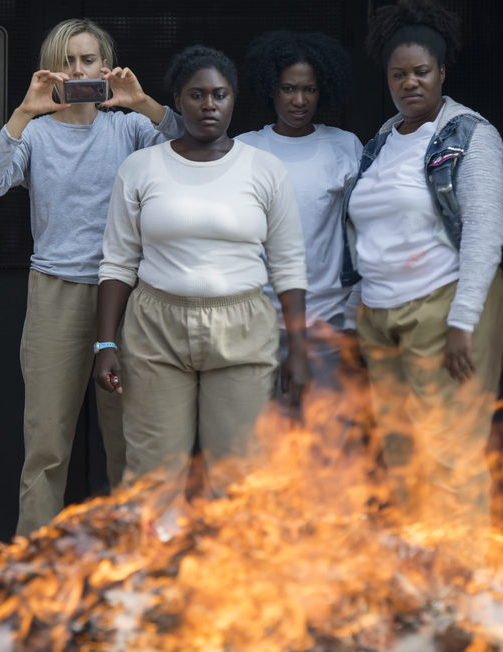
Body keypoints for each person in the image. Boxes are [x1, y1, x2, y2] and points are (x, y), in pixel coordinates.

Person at [0, 18, 183, 537]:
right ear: (50, 69)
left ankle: (130, 562)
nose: (79, 69)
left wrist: (142, 102)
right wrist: (25, 110)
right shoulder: (37, 132)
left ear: (106, 66)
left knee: (129, 439)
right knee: (46, 442)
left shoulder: (127, 126)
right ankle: (36, 569)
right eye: (68, 61)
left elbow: (193, 141)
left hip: (127, 293)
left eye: (89, 60)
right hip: (55, 292)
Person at [94, 45, 309, 484]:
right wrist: (105, 344)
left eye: (219, 95)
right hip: (156, 328)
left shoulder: (264, 170)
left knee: (238, 478)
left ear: (233, 99)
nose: (208, 105)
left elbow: (288, 265)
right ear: (178, 100)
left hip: (244, 328)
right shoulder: (140, 168)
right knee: (154, 475)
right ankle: (155, 555)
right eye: (196, 95)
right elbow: (118, 262)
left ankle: (230, 557)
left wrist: (299, 349)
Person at [346, 0, 503, 555]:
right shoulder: (382, 140)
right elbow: (366, 233)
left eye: (421, 72)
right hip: (381, 316)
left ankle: (463, 590)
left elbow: (487, 231)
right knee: (403, 456)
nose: (409, 83)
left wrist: (464, 320)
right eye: (398, 74)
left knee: (449, 456)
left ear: (442, 71)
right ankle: (423, 592)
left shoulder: (470, 134)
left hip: (445, 307)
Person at [235, 30, 364, 409]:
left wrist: (355, 314)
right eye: (289, 88)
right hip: (256, 323)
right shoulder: (245, 149)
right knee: (266, 451)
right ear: (271, 89)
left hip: (328, 320)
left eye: (309, 89)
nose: (299, 100)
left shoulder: (344, 146)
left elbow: (361, 234)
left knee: (327, 448)